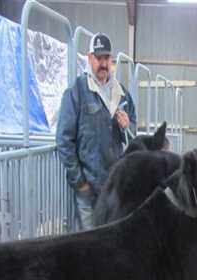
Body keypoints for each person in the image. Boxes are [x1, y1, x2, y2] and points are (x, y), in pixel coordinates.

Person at [56, 33, 136, 230]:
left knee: (112, 240)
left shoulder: (122, 93)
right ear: (89, 58)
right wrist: (79, 181)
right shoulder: (77, 92)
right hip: (88, 188)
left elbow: (134, 131)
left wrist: (128, 127)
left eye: (106, 58)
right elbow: (64, 140)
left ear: (111, 60)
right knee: (89, 243)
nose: (103, 64)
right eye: (98, 58)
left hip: (115, 188)